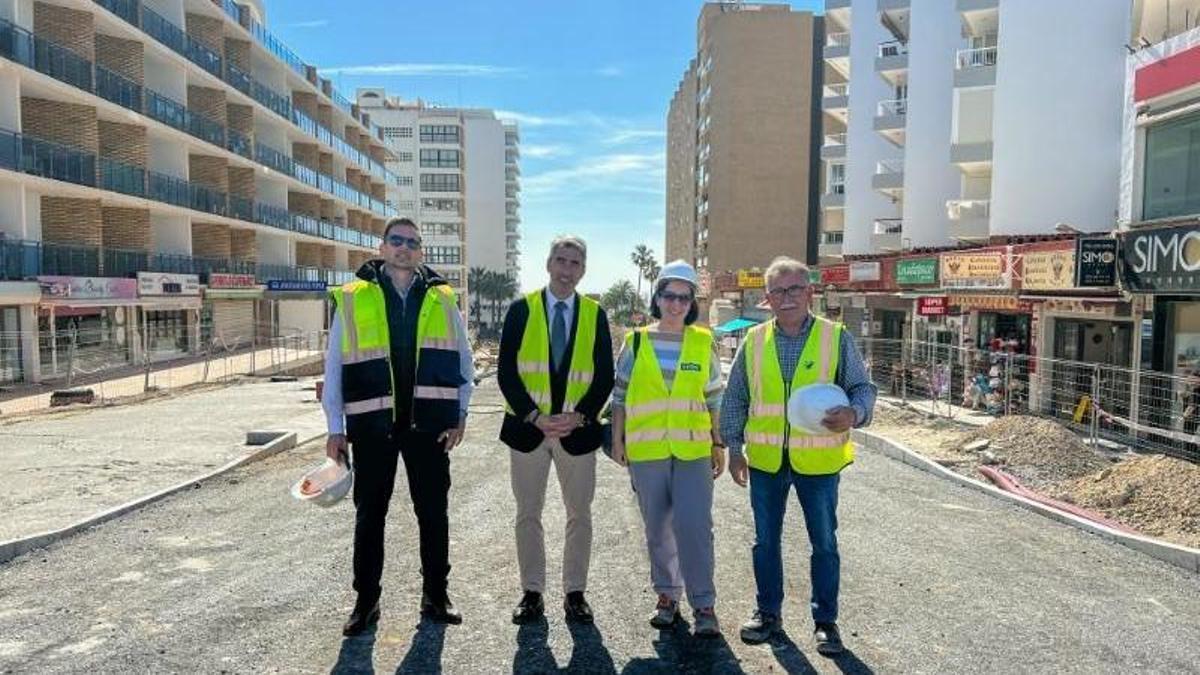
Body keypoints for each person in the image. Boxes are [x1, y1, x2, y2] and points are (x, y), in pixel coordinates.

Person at [322, 217, 474, 636]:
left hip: (429, 426)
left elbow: (464, 360)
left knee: (433, 514)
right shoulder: (354, 297)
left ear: (421, 250)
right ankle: (366, 601)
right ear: (383, 246)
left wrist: (461, 413)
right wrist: (335, 426)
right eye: (397, 241)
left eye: (412, 242)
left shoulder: (442, 298)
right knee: (370, 515)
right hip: (372, 424)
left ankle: (436, 596)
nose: (404, 248)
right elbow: (333, 365)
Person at [721, 256, 877, 656]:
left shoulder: (835, 337)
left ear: (810, 293)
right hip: (767, 461)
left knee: (824, 543)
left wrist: (854, 414)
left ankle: (826, 621)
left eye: (794, 289)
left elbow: (863, 388)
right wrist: (734, 448)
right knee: (765, 541)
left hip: (819, 463)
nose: (787, 297)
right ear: (767, 298)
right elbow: (736, 397)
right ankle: (767, 613)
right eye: (778, 291)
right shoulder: (754, 341)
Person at [498, 235, 615, 625]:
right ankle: (532, 592)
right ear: (548, 263)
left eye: (575, 263)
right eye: (561, 261)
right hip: (528, 432)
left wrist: (579, 416)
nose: (567, 270)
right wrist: (534, 416)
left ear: (583, 270)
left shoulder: (596, 315)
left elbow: (604, 377)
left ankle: (574, 593)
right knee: (527, 513)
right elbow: (506, 373)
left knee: (579, 514)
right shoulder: (520, 309)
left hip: (576, 434)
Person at [610, 260, 726, 637]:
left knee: (694, 525)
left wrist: (718, 442)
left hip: (693, 449)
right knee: (658, 528)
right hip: (647, 451)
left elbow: (713, 398)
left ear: (692, 301)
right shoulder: (637, 340)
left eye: (684, 297)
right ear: (657, 297)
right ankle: (667, 596)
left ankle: (704, 603)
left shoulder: (702, 342)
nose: (676, 304)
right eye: (669, 295)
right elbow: (621, 395)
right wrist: (617, 441)